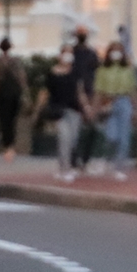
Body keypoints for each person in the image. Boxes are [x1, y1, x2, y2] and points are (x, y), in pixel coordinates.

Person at [93, 42, 136, 179]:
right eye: (113, 51)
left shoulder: (127, 70)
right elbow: (98, 91)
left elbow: (133, 90)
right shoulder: (102, 70)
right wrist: (95, 108)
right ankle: (106, 159)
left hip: (124, 101)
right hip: (109, 102)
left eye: (119, 51)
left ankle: (119, 167)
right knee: (111, 135)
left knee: (124, 137)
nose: (116, 54)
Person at [46, 48, 85, 180]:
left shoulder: (76, 72)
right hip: (59, 110)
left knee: (73, 139)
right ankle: (64, 168)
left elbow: (80, 92)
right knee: (64, 138)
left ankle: (68, 165)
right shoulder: (52, 73)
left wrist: (86, 107)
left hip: (74, 110)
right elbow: (46, 92)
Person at [0, 38, 26, 157]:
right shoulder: (16, 61)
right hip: (14, 93)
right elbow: (21, 78)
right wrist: (25, 92)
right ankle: (11, 145)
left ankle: (6, 145)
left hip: (1, 94)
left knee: (3, 120)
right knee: (12, 120)